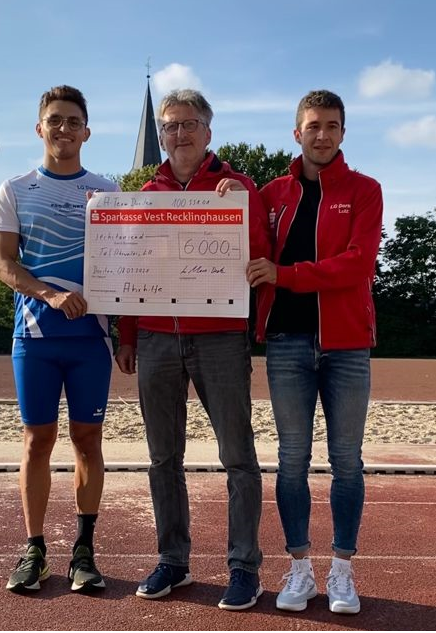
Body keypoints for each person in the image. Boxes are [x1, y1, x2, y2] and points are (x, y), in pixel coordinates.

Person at [115, 89, 269, 611]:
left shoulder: (238, 186)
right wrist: (128, 335)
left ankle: (244, 567)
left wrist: (242, 208)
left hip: (219, 336)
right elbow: (130, 268)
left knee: (238, 456)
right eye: (170, 126)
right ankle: (173, 561)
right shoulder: (145, 193)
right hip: (156, 336)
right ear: (161, 135)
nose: (178, 134)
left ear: (208, 131)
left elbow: (261, 257)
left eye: (188, 124)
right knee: (163, 457)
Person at [246, 89, 383, 614]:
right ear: (297, 132)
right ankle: (300, 568)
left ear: (343, 132)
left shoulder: (365, 190)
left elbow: (358, 264)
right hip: (286, 341)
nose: (322, 134)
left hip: (347, 344)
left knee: (347, 461)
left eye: (331, 126)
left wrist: (285, 275)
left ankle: (342, 570)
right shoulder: (271, 194)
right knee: (292, 460)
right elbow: (246, 247)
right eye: (313, 125)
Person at [0, 85, 120, 594]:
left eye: (73, 121)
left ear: (87, 132)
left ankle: (84, 552)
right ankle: (35, 550)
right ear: (39, 128)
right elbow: (4, 265)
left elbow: (131, 262)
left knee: (88, 441)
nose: (64, 128)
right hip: (36, 338)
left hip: (91, 340)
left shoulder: (107, 191)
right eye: (55, 120)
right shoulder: (15, 189)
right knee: (37, 441)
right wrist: (49, 294)